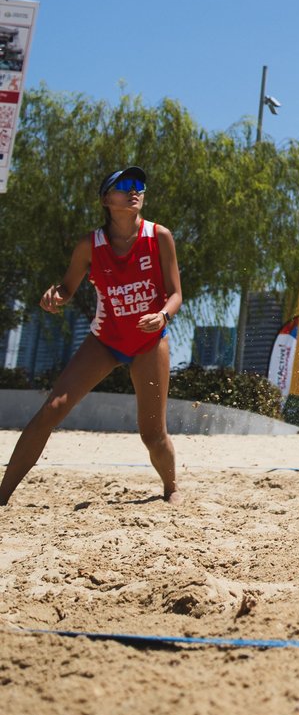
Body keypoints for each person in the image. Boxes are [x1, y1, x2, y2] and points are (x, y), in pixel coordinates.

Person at [0, 168, 182, 506]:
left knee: (153, 435)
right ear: (105, 199)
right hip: (105, 340)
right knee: (52, 409)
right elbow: (67, 287)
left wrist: (163, 316)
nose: (134, 190)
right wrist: (54, 296)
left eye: (138, 185)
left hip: (149, 342)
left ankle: (171, 489)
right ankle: (2, 494)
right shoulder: (90, 244)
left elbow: (175, 294)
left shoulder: (159, 236)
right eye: (124, 185)